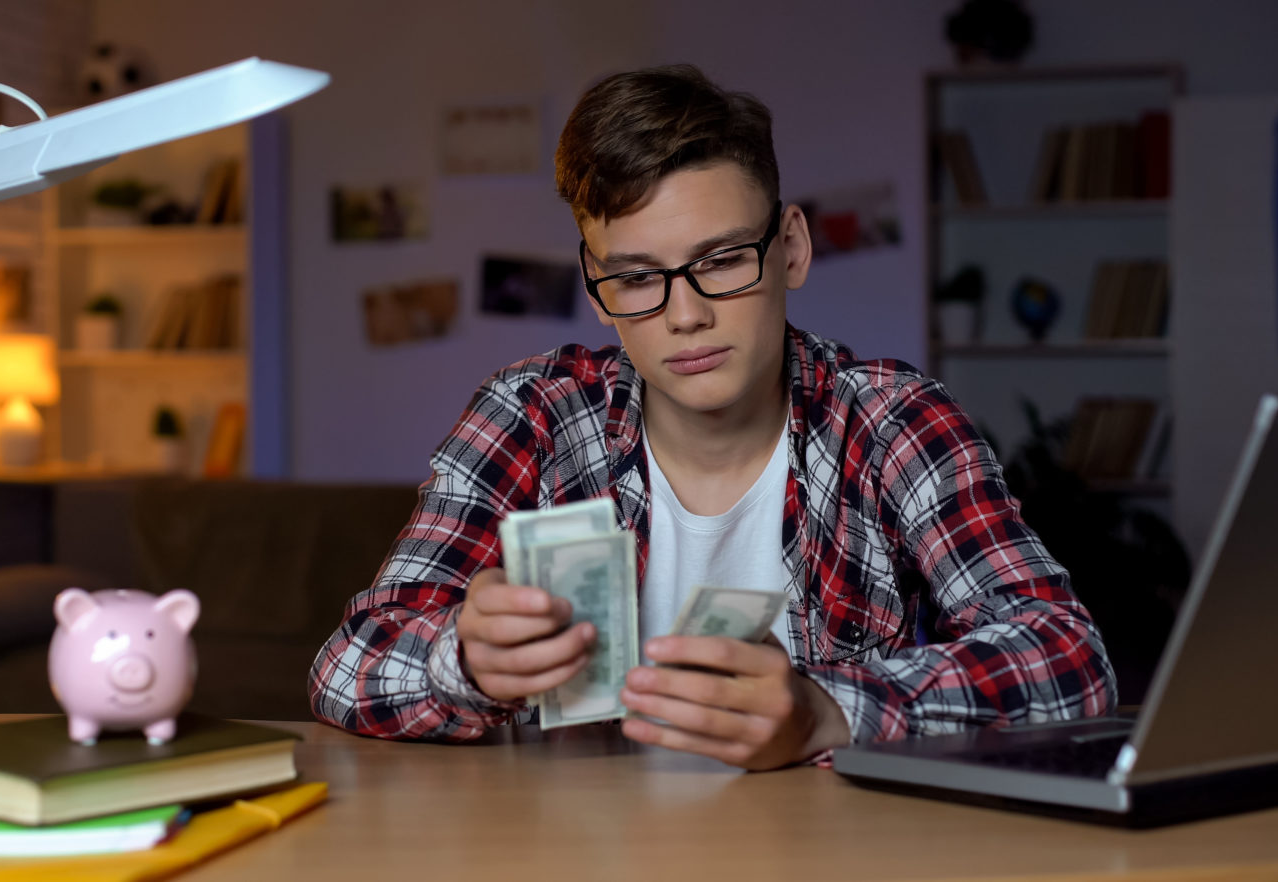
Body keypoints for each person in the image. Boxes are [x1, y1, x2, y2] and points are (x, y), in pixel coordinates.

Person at [308, 64, 1116, 770]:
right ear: (596, 286)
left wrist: (824, 712)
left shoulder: (892, 418)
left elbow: (1068, 658)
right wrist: (464, 662)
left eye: (722, 260)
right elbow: (345, 668)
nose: (684, 316)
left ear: (791, 248)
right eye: (636, 278)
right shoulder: (532, 414)